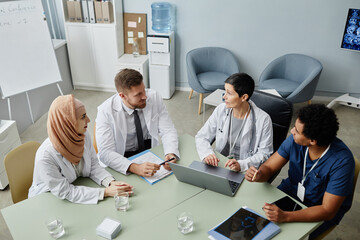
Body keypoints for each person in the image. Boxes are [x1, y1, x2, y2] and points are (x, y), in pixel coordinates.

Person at [245, 104, 354, 239]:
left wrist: (285, 216)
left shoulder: (342, 162)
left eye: (296, 130)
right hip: (291, 192)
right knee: (252, 219)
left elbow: (327, 210)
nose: (292, 131)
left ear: (312, 141)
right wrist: (259, 174)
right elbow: (269, 167)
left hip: (317, 208)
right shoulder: (295, 139)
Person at [28, 95, 133, 204]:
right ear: (68, 122)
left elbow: (92, 164)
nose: (88, 120)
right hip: (48, 198)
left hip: (75, 185)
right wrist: (105, 192)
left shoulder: (81, 134)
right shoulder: (46, 156)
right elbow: (65, 191)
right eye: (83, 117)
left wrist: (110, 182)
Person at [96, 69, 179, 177]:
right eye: (138, 94)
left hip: (149, 151)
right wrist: (134, 167)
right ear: (122, 96)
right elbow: (105, 153)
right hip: (123, 156)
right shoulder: (105, 111)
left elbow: (168, 130)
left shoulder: (154, 97)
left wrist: (170, 152)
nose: (145, 96)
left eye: (144, 90)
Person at [195, 73, 273, 171]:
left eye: (229, 93)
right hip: (220, 164)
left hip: (246, 170)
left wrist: (242, 164)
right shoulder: (221, 110)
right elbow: (202, 136)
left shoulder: (263, 119)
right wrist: (207, 154)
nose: (224, 97)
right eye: (225, 91)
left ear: (244, 97)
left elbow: (265, 153)